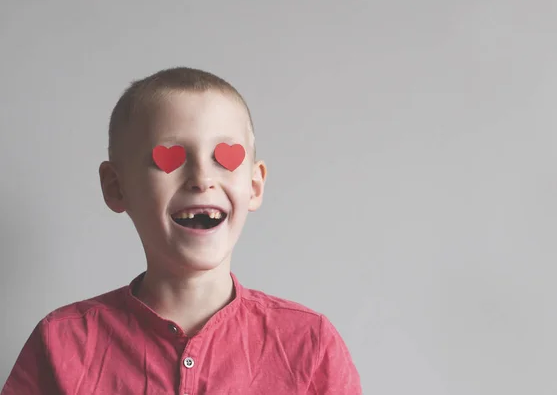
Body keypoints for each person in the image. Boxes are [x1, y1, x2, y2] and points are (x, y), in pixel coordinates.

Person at [1, 67, 362, 394]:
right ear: (116, 187)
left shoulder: (310, 344)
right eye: (169, 157)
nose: (202, 179)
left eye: (225, 158)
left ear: (253, 185)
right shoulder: (60, 341)